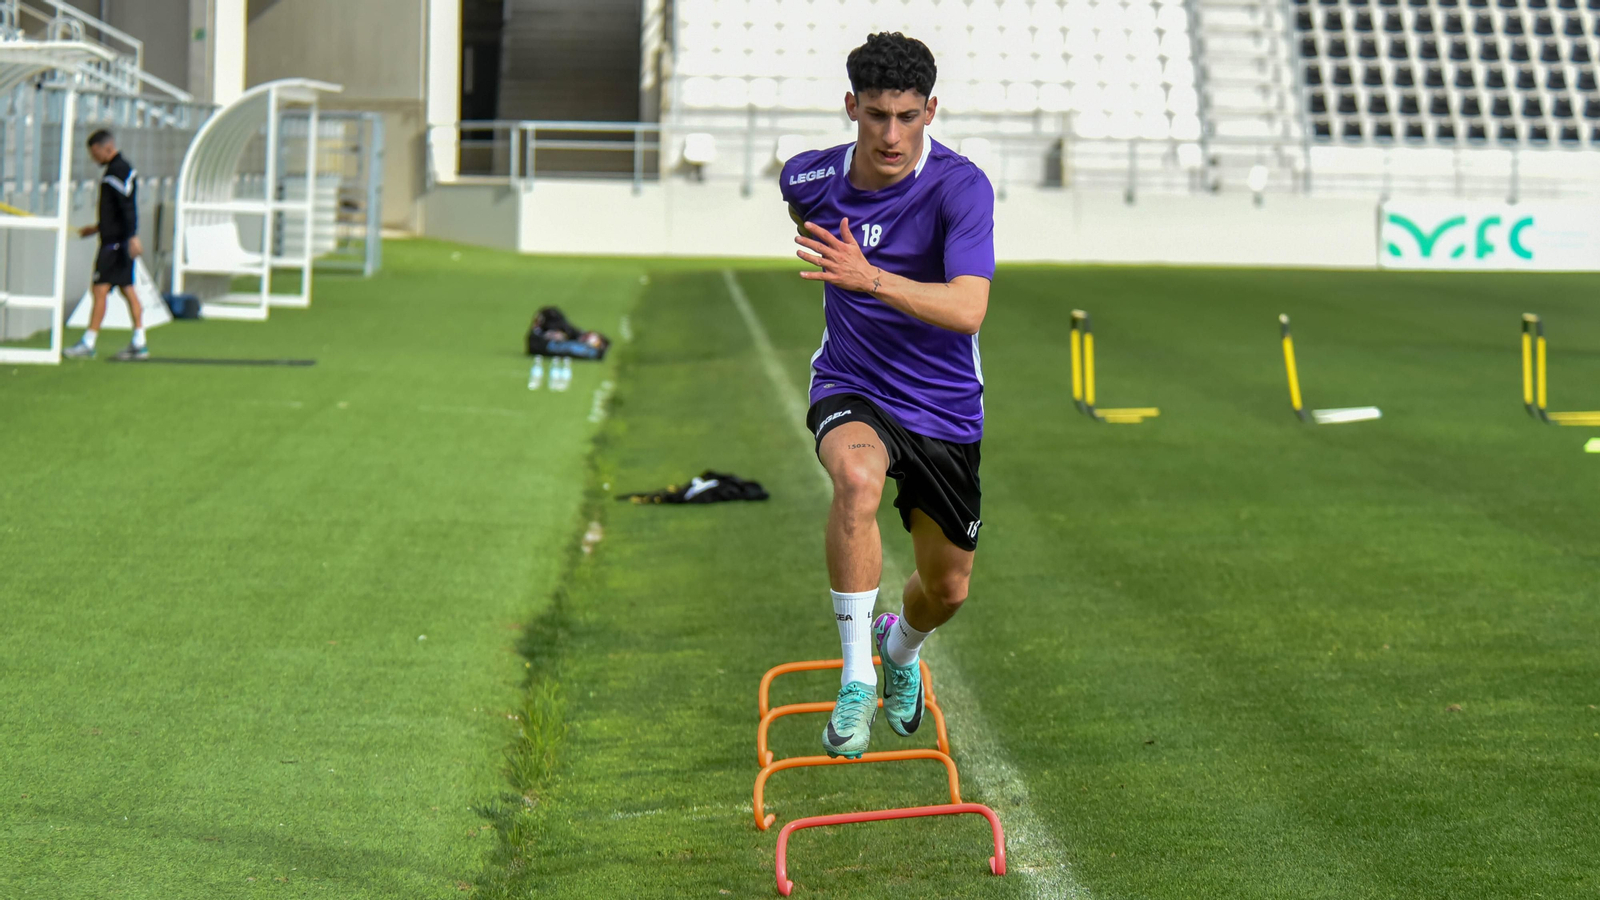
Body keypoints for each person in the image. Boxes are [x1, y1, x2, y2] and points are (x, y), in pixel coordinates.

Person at [779, 33, 995, 759]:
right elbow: (810, 228)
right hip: (852, 383)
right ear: (852, 107)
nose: (892, 134)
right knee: (857, 477)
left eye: (907, 116)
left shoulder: (961, 188)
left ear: (931, 110)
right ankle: (856, 678)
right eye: (876, 115)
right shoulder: (807, 180)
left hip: (943, 406)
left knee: (947, 591)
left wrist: (868, 277)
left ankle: (898, 649)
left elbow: (968, 309)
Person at [64, 130, 146, 360]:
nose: (94, 158)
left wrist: (132, 236)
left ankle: (88, 343)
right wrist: (97, 227)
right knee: (127, 288)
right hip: (117, 240)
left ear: (106, 148)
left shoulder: (116, 172)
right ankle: (140, 341)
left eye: (95, 153)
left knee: (100, 290)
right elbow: (117, 213)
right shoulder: (121, 169)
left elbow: (127, 208)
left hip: (115, 245)